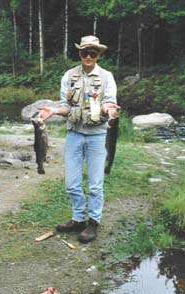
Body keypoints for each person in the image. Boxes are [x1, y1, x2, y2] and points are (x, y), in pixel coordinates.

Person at [39, 35, 120, 243]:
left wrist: (108, 109)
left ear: (99, 54)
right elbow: (66, 107)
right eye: (85, 52)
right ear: (79, 53)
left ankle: (93, 222)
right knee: (71, 184)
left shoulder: (107, 77)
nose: (89, 56)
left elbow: (108, 102)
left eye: (93, 52)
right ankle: (78, 219)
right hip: (74, 134)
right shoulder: (69, 76)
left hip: (99, 136)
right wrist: (54, 111)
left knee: (95, 185)